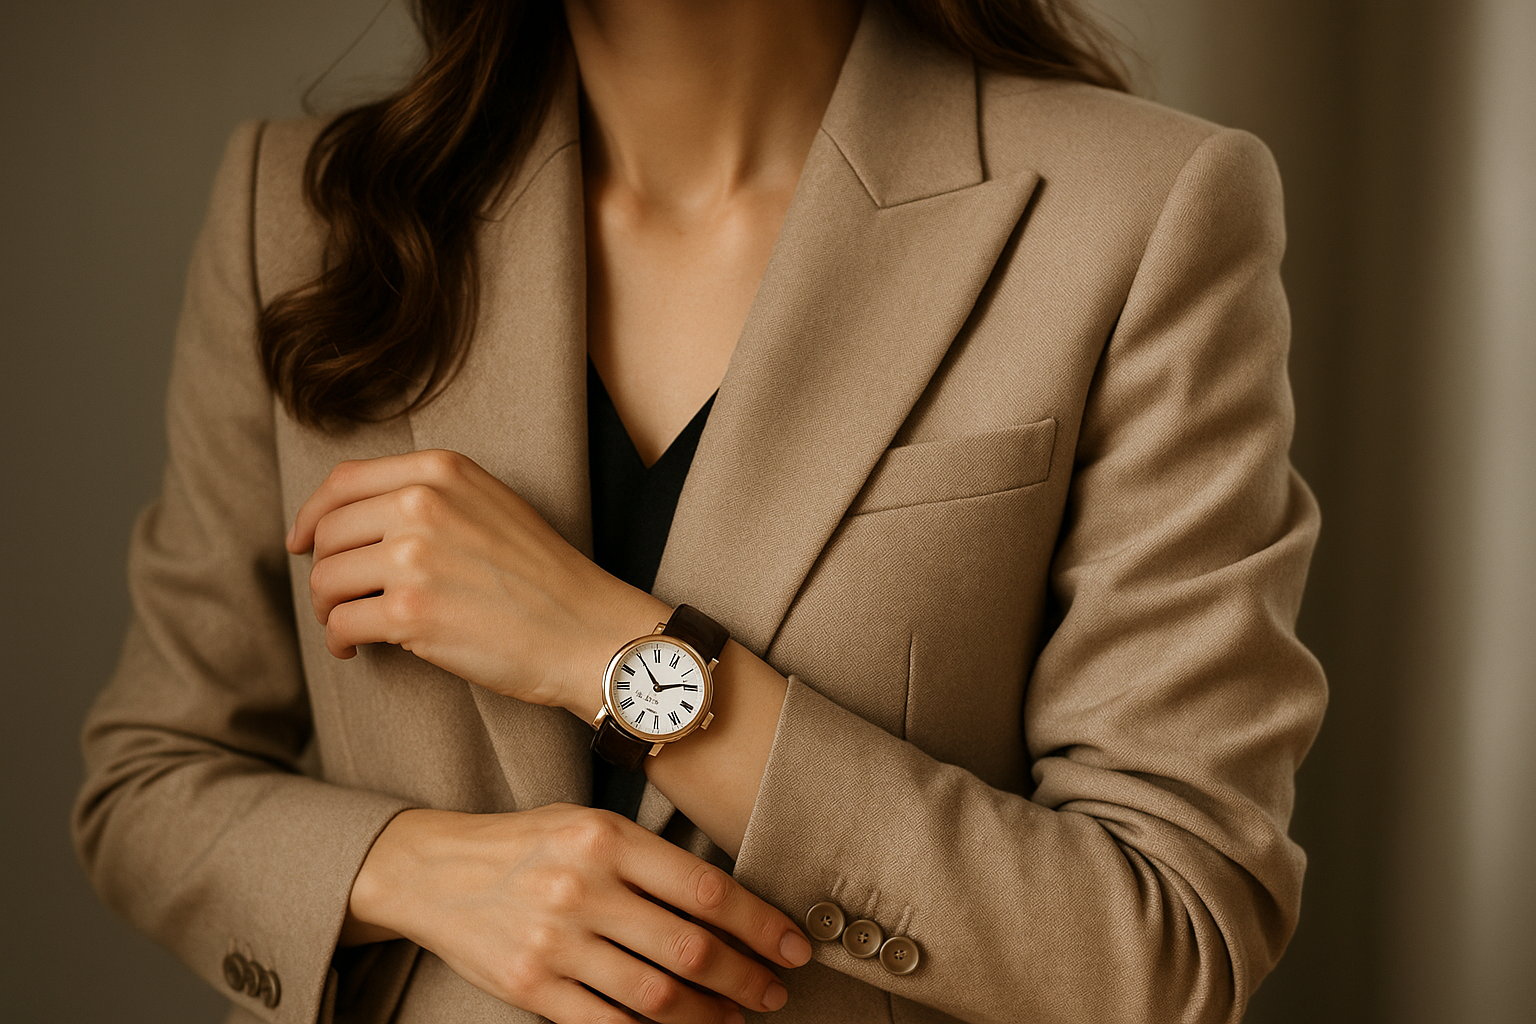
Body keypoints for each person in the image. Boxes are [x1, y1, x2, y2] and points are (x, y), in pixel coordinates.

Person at [73, 0, 1326, 1022]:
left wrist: (610, 653)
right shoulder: (300, 214)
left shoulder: (1142, 208)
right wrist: (413, 869)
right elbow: (147, 781)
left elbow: (1170, 938)